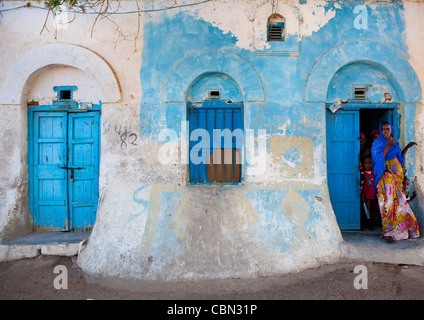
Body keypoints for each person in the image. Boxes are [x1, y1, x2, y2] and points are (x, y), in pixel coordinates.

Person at [371, 122, 420, 242]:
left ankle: (402, 232)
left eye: (387, 129)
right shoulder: (377, 144)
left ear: (391, 130)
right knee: (387, 205)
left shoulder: (395, 142)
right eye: (383, 129)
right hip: (385, 180)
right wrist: (387, 146)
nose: (385, 131)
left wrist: (407, 148)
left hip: (396, 180)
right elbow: (378, 161)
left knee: (400, 204)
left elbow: (399, 158)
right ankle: (388, 233)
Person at [360, 156, 380, 230]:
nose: (368, 165)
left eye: (370, 163)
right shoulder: (362, 173)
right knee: (364, 209)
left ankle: (370, 224)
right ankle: (364, 225)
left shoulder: (373, 173)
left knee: (371, 209)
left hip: (372, 195)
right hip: (365, 195)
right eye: (366, 163)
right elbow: (361, 185)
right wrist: (362, 194)